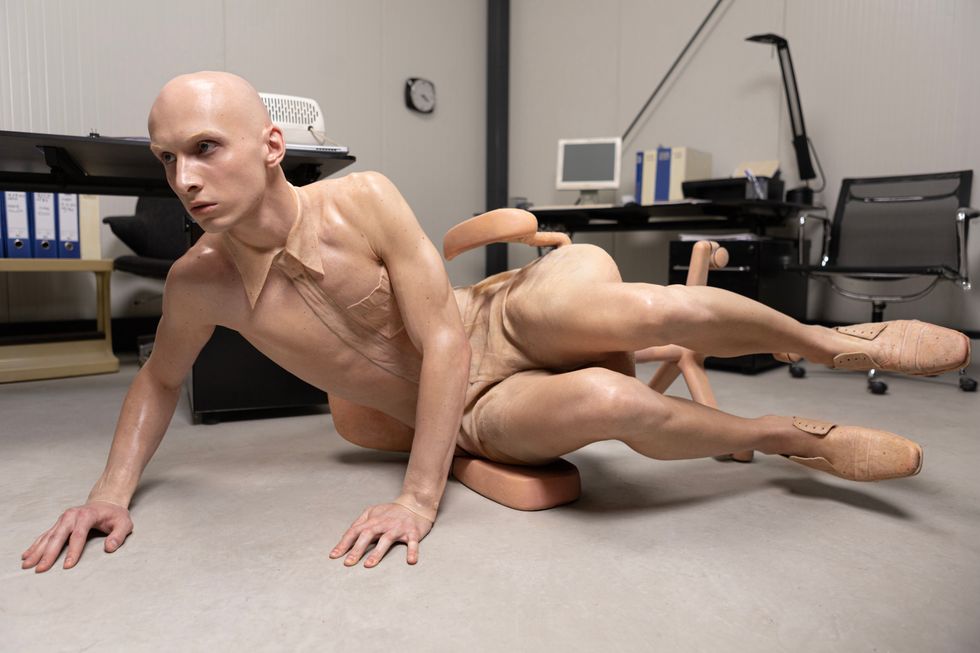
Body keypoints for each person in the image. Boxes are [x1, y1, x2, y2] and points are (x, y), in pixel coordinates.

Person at [21, 72, 970, 573]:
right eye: (166, 159)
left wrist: (418, 498)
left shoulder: (363, 200)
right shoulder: (200, 283)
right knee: (612, 402)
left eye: (204, 148)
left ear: (271, 146)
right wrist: (110, 489)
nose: (183, 180)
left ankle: (838, 342)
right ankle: (790, 439)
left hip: (494, 319)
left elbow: (444, 335)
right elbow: (158, 379)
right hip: (474, 409)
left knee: (637, 306)